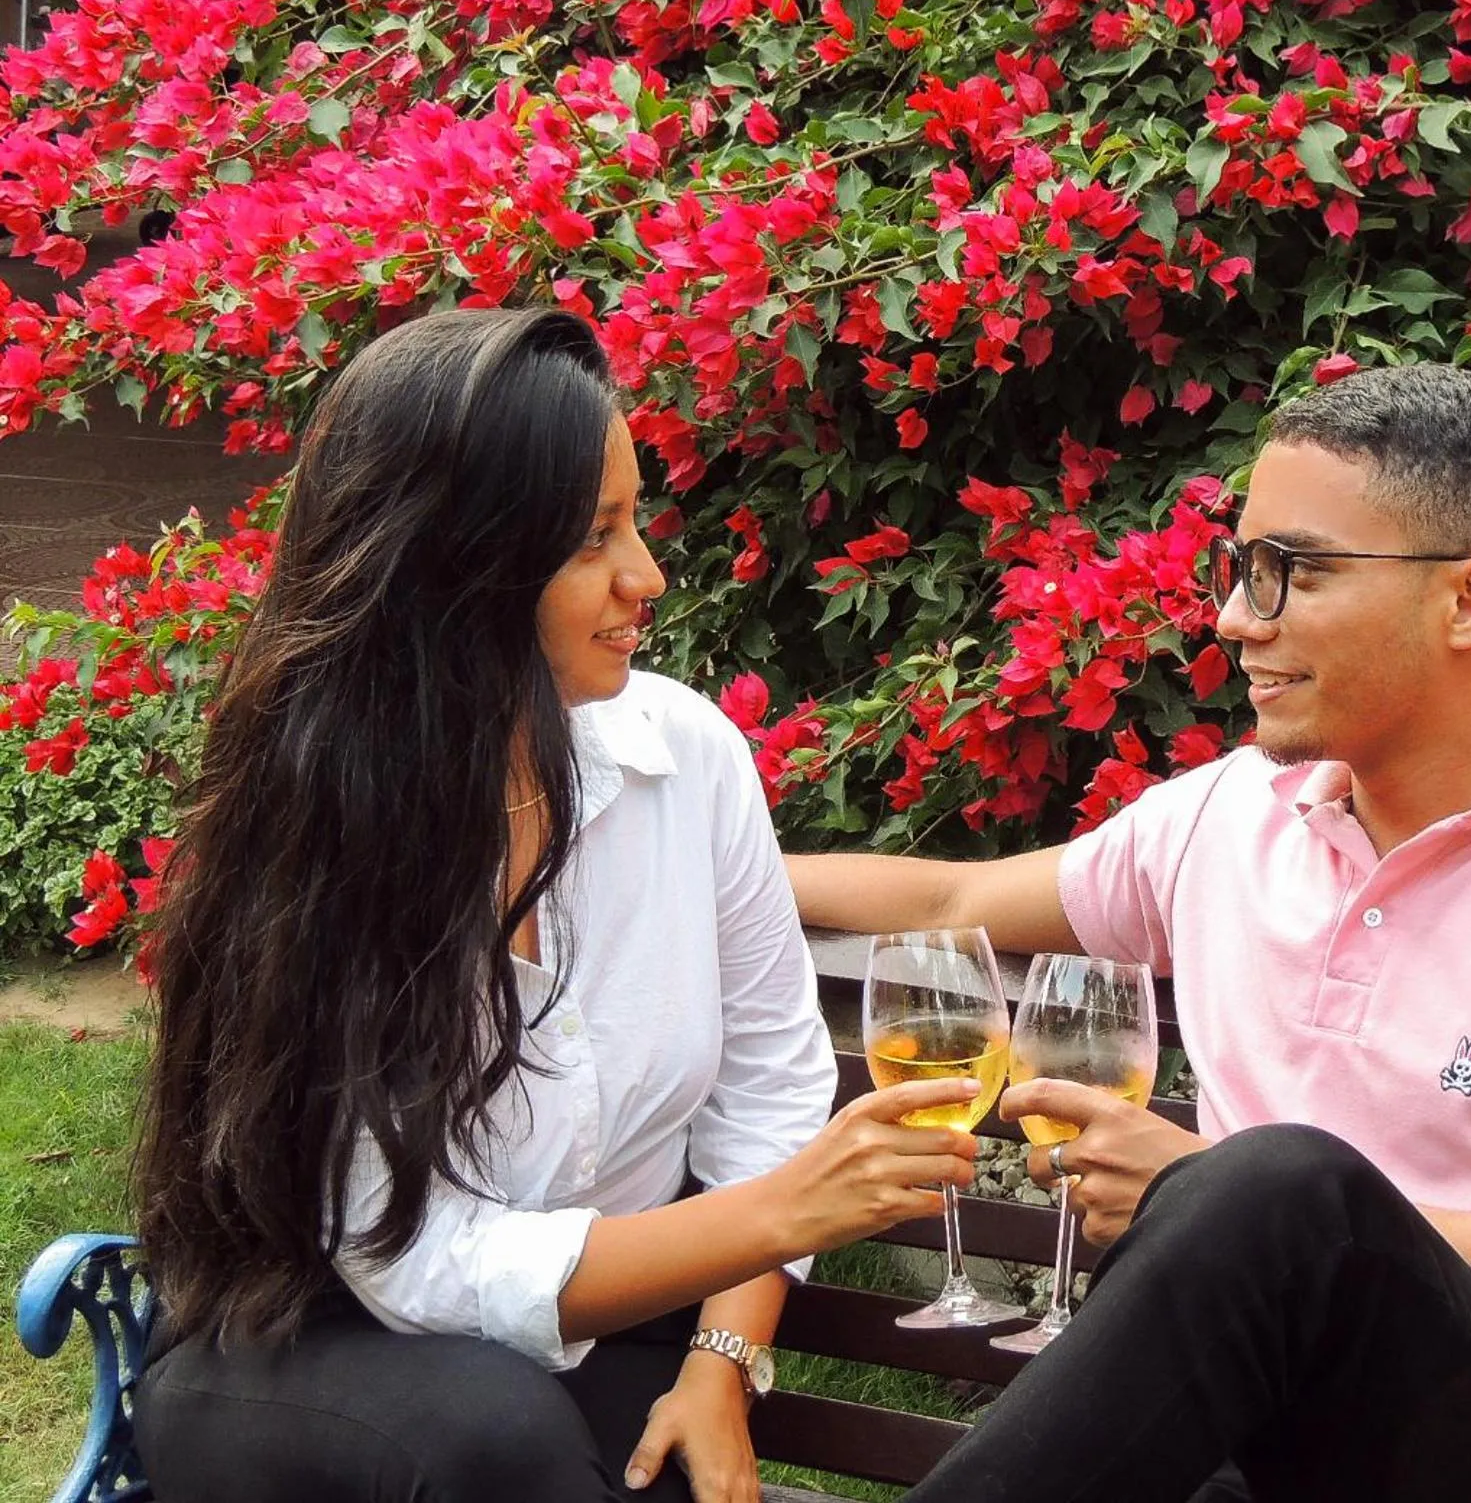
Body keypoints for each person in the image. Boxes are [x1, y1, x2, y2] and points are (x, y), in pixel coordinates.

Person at [787, 364, 1471, 1503]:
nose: (1236, 617)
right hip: (1259, 1453)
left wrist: (1226, 1204)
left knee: (1278, 1190)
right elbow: (947, 905)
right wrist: (692, 864)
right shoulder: (1229, 816)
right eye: (1240, 570)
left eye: (1295, 573)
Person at [131, 308, 985, 1503]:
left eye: (635, 520)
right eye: (593, 539)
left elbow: (771, 1098)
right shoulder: (326, 821)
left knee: (602, 1453)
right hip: (306, 1352)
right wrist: (792, 1207)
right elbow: (410, 1263)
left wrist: (722, 1364)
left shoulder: (685, 757)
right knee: (497, 1434)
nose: (648, 577)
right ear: (456, 562)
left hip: (610, 1342)